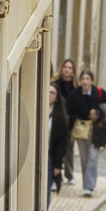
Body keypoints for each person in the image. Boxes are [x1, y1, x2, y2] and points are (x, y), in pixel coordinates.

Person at [68, 65, 106, 192]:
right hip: (81, 129)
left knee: (93, 157)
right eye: (83, 79)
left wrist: (98, 113)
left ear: (92, 81)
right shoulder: (74, 95)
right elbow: (69, 111)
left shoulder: (99, 93)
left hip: (96, 130)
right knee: (84, 158)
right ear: (79, 81)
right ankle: (86, 184)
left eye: (87, 79)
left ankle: (89, 186)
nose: (85, 81)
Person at [47, 60, 76, 201]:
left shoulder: (75, 88)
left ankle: (67, 174)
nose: (67, 69)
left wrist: (58, 165)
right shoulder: (56, 84)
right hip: (49, 143)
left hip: (68, 124)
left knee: (68, 150)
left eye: (70, 67)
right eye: (65, 66)